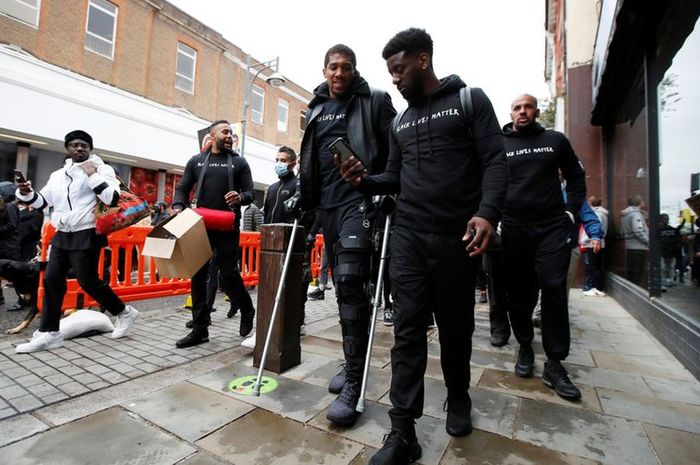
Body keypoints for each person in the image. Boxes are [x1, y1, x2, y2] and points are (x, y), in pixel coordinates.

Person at [339, 28, 507, 464]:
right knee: (407, 331)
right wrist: (364, 181)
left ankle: (458, 395)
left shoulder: (470, 101)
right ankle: (402, 431)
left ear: (423, 61)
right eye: (389, 72)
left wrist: (487, 213)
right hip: (409, 238)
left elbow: (494, 160)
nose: (394, 79)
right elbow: (392, 177)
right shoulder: (400, 122)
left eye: (399, 69)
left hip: (457, 238)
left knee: (456, 329)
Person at [286, 43, 396, 427]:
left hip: (360, 203)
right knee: (339, 287)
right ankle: (353, 361)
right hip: (326, 210)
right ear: (324, 70)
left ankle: (354, 380)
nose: (338, 73)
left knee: (351, 283)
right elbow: (311, 159)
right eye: (333, 67)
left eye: (346, 67)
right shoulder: (315, 109)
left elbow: (396, 148)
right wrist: (303, 195)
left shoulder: (375, 101)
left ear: (354, 71)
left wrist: (385, 187)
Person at [14, 130, 139, 353]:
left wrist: (92, 175)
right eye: (74, 145)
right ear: (67, 149)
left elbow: (111, 198)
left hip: (87, 231)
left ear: (89, 149)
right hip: (62, 232)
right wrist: (27, 192)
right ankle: (49, 333)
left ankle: (124, 312)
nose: (79, 148)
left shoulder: (102, 169)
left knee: (87, 280)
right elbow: (43, 202)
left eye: (83, 145)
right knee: (52, 280)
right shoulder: (57, 175)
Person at [501, 94, 586, 401]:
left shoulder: (555, 140)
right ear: (510, 112)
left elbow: (577, 177)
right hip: (514, 229)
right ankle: (524, 346)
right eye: (517, 107)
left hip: (551, 228)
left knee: (552, 287)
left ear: (536, 111)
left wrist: (570, 213)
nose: (523, 112)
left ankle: (555, 362)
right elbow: (488, 180)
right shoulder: (499, 142)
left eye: (528, 107)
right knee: (520, 294)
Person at [172, 120, 256, 348]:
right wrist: (178, 206)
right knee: (198, 276)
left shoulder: (239, 162)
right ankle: (200, 329)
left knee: (228, 274)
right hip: (199, 224)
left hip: (227, 225)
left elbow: (250, 193)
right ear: (213, 135)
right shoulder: (197, 161)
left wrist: (240, 198)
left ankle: (247, 309)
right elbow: (182, 188)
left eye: (231, 132)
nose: (230, 135)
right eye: (225, 131)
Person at [263, 146, 299, 224]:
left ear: (293, 164)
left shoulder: (297, 185)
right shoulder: (272, 188)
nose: (279, 163)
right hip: (268, 233)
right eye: (277, 160)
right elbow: (265, 213)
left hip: (287, 233)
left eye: (283, 160)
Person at [580, 195, 608, 296]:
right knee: (596, 267)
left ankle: (595, 288)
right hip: (595, 243)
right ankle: (595, 287)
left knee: (592, 267)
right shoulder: (601, 214)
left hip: (591, 244)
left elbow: (595, 229)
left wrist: (587, 239)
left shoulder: (596, 214)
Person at [621, 195, 649, 287]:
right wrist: (648, 241)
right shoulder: (636, 215)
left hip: (630, 246)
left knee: (632, 273)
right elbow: (638, 231)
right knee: (638, 273)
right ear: (639, 203)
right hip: (639, 247)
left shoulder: (625, 215)